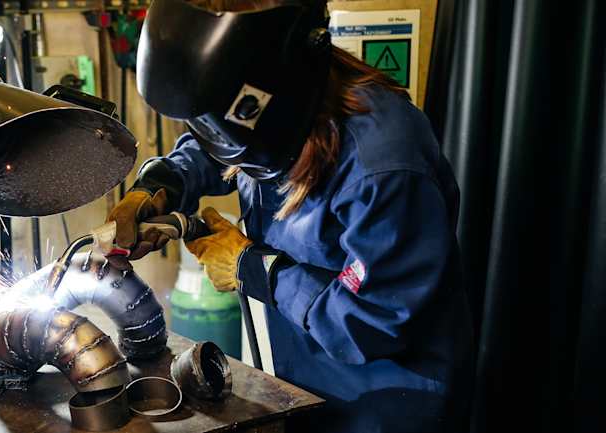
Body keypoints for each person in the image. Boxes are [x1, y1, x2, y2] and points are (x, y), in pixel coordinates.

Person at [105, 0, 475, 432]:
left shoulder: (383, 167)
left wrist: (251, 267)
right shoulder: (267, 115)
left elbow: (376, 321)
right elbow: (219, 145)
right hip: (304, 381)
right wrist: (158, 188)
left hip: (385, 405)